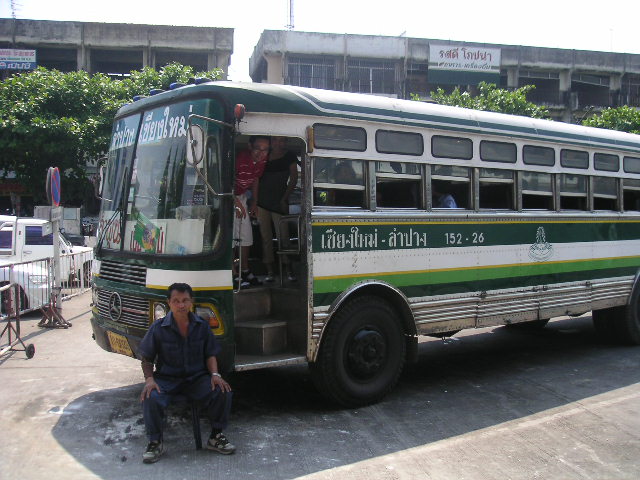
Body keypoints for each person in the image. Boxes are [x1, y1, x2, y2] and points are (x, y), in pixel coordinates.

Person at [138, 283, 234, 464]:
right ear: (169, 303)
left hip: (196, 379)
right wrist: (149, 380)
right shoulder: (158, 328)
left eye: (185, 300)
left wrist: (215, 374)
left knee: (223, 390)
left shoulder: (202, 326)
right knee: (150, 396)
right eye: (176, 301)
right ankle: (155, 441)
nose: (181, 305)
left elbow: (210, 354)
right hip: (167, 379)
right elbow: (146, 358)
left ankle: (216, 436)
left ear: (191, 302)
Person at [256, 136, 298, 282]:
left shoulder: (290, 156)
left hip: (280, 202)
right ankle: (270, 271)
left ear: (286, 142)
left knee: (283, 237)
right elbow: (255, 177)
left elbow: (294, 178)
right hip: (261, 202)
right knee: (265, 237)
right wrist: (254, 201)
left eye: (281, 140)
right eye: (275, 140)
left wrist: (285, 198)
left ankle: (288, 269)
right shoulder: (264, 155)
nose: (278, 143)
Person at [234, 136, 270, 287]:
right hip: (227, 197)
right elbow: (225, 180)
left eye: (265, 150)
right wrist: (236, 202)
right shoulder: (240, 159)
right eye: (257, 148)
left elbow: (255, 180)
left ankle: (245, 270)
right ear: (250, 146)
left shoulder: (262, 161)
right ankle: (234, 275)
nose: (261, 153)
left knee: (246, 236)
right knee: (231, 237)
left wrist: (254, 202)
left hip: (241, 197)